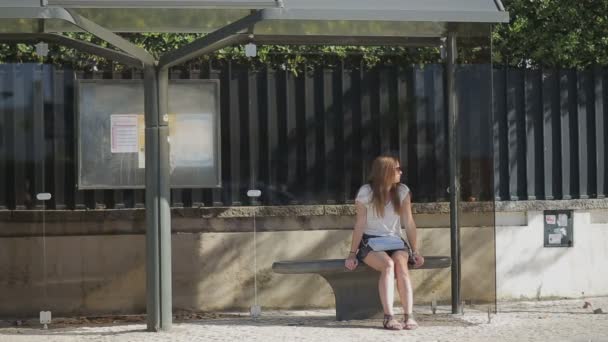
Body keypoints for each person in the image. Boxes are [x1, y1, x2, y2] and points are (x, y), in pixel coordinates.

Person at [344, 155, 424, 330]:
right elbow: (360, 224)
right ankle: (389, 317)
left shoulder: (402, 191)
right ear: (385, 171)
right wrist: (352, 254)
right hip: (371, 242)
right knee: (387, 265)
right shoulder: (366, 192)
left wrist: (415, 251)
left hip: (395, 241)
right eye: (397, 169)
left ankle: (408, 315)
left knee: (401, 265)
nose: (400, 172)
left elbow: (409, 223)